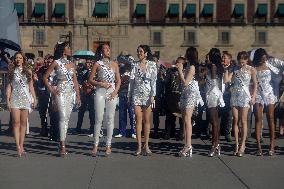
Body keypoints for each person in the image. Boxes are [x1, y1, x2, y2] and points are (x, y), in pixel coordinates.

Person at [43, 42, 81, 156]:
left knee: (67, 118)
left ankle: (62, 140)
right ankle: (62, 145)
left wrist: (78, 96)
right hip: (60, 93)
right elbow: (45, 77)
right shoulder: (56, 62)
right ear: (63, 50)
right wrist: (52, 90)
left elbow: (75, 81)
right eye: (68, 47)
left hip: (70, 92)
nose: (70, 49)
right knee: (63, 116)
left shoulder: (72, 64)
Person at [88, 43, 121, 156]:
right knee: (98, 118)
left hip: (111, 92)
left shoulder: (115, 64)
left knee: (110, 118)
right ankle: (95, 145)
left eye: (109, 48)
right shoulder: (98, 64)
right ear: (101, 52)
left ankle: (108, 145)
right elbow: (90, 80)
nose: (108, 50)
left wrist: (115, 91)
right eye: (105, 49)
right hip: (100, 92)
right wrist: (100, 83)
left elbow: (119, 80)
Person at [223, 51, 257, 157]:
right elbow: (226, 81)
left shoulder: (251, 69)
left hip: (245, 96)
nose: (241, 64)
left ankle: (243, 145)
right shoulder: (234, 68)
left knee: (243, 121)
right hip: (235, 96)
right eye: (240, 62)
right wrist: (225, 70)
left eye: (243, 62)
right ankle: (237, 144)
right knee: (236, 120)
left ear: (247, 60)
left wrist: (254, 96)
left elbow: (255, 84)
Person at [6, 51, 37, 157]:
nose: (17, 59)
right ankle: (17, 147)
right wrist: (7, 100)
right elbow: (9, 86)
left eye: (20, 58)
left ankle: (21, 145)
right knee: (16, 122)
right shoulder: (12, 71)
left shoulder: (28, 71)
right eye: (16, 58)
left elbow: (31, 86)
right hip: (15, 98)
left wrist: (34, 98)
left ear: (23, 59)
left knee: (23, 123)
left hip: (25, 99)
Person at [128, 45, 157, 156]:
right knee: (137, 119)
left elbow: (154, 81)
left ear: (145, 53)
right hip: (136, 94)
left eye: (141, 51)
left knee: (147, 120)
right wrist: (129, 95)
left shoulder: (152, 65)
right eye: (138, 51)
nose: (139, 53)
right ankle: (139, 146)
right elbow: (131, 81)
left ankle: (147, 145)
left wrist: (153, 95)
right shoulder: (134, 65)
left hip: (148, 95)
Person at [176, 47, 203, 157]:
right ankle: (186, 144)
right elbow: (180, 81)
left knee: (187, 119)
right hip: (184, 93)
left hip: (191, 93)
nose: (185, 56)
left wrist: (180, 71)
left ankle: (188, 145)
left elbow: (186, 82)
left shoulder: (192, 67)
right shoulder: (187, 66)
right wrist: (180, 71)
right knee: (184, 120)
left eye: (187, 54)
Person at [253, 48, 278, 156]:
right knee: (258, 119)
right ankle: (258, 146)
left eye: (265, 58)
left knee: (271, 118)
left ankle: (272, 145)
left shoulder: (270, 65)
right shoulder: (254, 67)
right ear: (258, 57)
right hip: (259, 94)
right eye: (262, 58)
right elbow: (251, 81)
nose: (264, 60)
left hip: (269, 93)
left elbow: (279, 75)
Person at [206, 48, 225, 157]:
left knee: (214, 121)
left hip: (212, 93)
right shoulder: (217, 67)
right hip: (216, 94)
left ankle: (215, 144)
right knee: (215, 120)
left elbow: (213, 82)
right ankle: (216, 144)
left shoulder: (213, 67)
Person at [115, 53, 136, 139]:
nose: (127, 63)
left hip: (130, 95)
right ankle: (121, 131)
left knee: (132, 114)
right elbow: (118, 81)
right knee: (122, 114)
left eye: (129, 61)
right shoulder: (121, 70)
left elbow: (135, 83)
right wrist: (122, 80)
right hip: (122, 93)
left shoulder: (134, 70)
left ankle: (133, 131)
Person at [75, 59, 95, 135]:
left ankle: (92, 129)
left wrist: (91, 86)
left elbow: (95, 80)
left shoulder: (93, 70)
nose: (88, 64)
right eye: (87, 62)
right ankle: (78, 128)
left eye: (90, 62)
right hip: (83, 92)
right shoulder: (81, 70)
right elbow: (78, 80)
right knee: (81, 112)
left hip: (91, 93)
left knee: (91, 112)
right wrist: (81, 84)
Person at [220, 51, 233, 142]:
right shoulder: (219, 67)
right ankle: (218, 131)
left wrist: (225, 70)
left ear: (229, 59)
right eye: (223, 57)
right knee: (218, 113)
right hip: (219, 92)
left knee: (228, 114)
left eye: (225, 57)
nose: (223, 59)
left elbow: (227, 81)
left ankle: (227, 133)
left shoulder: (232, 68)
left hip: (228, 93)